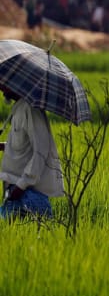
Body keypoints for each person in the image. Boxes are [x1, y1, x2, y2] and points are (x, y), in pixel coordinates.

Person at [0, 85, 63, 220]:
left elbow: (41, 151)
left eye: (5, 85)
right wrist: (3, 146)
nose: (2, 88)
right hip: (14, 188)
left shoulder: (31, 110)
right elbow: (23, 146)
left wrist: (21, 186)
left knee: (34, 234)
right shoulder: (18, 108)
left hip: (27, 191)